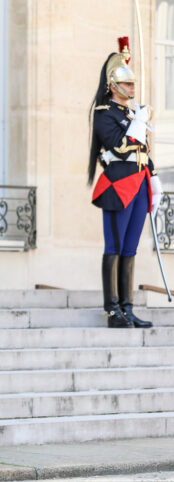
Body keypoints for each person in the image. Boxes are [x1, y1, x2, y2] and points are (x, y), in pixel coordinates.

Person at [88, 37, 160, 328]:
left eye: (132, 84)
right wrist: (139, 123)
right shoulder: (104, 115)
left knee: (130, 247)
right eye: (127, 84)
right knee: (115, 246)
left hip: (139, 183)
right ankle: (112, 310)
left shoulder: (131, 114)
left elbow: (143, 151)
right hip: (119, 185)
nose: (132, 88)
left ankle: (127, 307)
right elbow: (120, 147)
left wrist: (153, 177)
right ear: (113, 86)